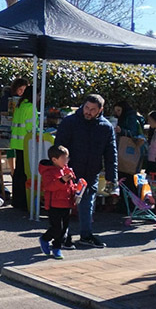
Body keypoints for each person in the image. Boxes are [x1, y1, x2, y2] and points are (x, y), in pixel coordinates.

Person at [53, 94, 117, 248]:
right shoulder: (70, 122)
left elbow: (111, 153)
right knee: (64, 205)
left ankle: (86, 235)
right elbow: (59, 147)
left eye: (92, 109)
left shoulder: (106, 127)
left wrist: (111, 176)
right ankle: (62, 237)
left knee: (87, 204)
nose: (88, 112)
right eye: (86, 108)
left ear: (100, 110)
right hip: (70, 171)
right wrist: (59, 169)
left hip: (91, 172)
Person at [38, 145, 79, 260]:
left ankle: (57, 248)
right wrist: (62, 180)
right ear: (54, 160)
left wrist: (77, 190)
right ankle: (45, 239)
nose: (67, 161)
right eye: (64, 158)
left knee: (64, 229)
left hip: (67, 203)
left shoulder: (67, 169)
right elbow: (49, 186)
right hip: (54, 204)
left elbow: (71, 186)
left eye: (67, 158)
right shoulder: (48, 172)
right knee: (57, 228)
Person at [10, 89, 37, 212]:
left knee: (18, 172)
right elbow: (31, 128)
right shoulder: (31, 107)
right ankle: (24, 200)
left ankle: (16, 200)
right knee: (26, 173)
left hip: (16, 143)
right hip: (26, 143)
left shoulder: (20, 105)